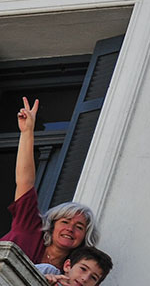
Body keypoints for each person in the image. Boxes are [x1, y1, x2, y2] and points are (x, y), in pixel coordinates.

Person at [3, 98, 102, 271]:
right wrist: (27, 132)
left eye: (79, 227)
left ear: (84, 237)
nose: (70, 229)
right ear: (52, 224)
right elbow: (25, 181)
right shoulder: (30, 228)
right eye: (65, 222)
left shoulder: (73, 271)